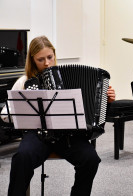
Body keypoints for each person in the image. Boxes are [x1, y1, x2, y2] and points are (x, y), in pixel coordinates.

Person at [1, 35, 116, 196]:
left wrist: (106, 99)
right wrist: (22, 105)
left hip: (68, 136)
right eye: (41, 59)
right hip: (38, 135)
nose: (47, 63)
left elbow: (92, 109)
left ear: (54, 55)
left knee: (91, 159)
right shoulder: (24, 81)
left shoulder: (67, 76)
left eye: (50, 57)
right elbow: (5, 115)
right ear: (32, 60)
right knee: (21, 159)